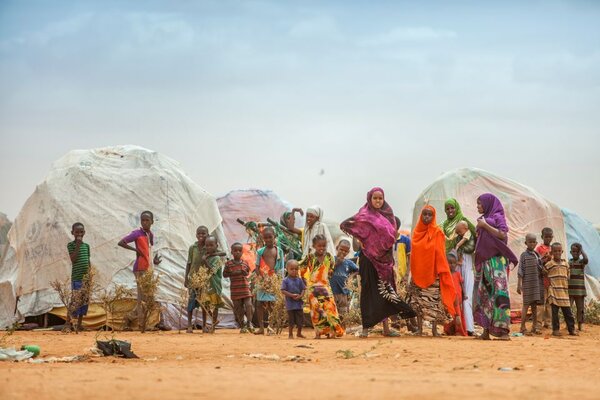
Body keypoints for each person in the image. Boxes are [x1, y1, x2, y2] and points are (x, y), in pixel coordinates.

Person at [340, 187, 415, 338]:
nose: (378, 201)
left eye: (380, 198)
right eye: (375, 198)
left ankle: (387, 329)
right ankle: (366, 329)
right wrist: (360, 239)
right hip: (367, 259)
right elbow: (347, 224)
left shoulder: (389, 215)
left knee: (385, 292)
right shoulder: (364, 215)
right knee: (368, 291)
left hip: (384, 261)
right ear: (370, 199)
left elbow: (391, 236)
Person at [472, 194, 518, 341]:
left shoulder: (497, 217)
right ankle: (485, 331)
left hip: (497, 263)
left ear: (487, 203)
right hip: (485, 263)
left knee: (499, 295)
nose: (478, 206)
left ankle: (503, 331)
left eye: (479, 204)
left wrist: (485, 225)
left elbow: (502, 234)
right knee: (484, 295)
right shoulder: (483, 218)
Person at [409, 205, 457, 337]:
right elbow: (414, 255)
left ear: (434, 216)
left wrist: (440, 270)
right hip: (418, 273)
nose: (427, 217)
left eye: (430, 215)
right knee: (418, 302)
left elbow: (440, 253)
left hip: (433, 273)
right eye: (424, 214)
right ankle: (419, 328)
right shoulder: (416, 233)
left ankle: (434, 330)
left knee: (433, 302)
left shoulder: (437, 232)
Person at [118, 210, 162, 331]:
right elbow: (121, 242)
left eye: (147, 220)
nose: (145, 222)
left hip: (148, 268)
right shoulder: (137, 233)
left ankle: (129, 318)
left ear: (152, 222)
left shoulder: (150, 235)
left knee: (147, 297)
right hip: (140, 268)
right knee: (142, 297)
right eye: (143, 220)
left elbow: (148, 250)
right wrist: (135, 251)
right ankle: (142, 325)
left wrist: (154, 261)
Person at [442, 198, 476, 335]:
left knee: (466, 295)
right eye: (448, 209)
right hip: (451, 264)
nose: (450, 211)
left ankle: (469, 328)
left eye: (452, 208)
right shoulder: (444, 225)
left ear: (457, 208)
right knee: (454, 296)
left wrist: (463, 249)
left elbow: (475, 237)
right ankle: (456, 328)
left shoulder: (465, 221)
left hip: (466, 261)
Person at [299, 234, 344, 338]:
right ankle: (318, 333)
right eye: (319, 246)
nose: (322, 248)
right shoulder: (309, 257)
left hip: (325, 287)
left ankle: (332, 332)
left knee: (330, 309)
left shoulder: (329, 257)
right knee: (316, 311)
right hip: (313, 289)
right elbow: (302, 268)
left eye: (324, 246)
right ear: (314, 246)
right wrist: (304, 281)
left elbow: (331, 271)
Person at [254, 227, 285, 335]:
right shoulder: (260, 252)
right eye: (265, 238)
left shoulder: (279, 251)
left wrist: (279, 281)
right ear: (263, 239)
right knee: (259, 303)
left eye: (270, 237)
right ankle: (261, 327)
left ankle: (270, 326)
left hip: (274, 280)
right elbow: (257, 267)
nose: (268, 240)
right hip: (262, 281)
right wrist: (262, 279)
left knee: (272, 304)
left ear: (274, 237)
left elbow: (281, 268)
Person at [544, 242, 577, 336]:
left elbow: (568, 275)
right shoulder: (550, 264)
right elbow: (544, 271)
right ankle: (555, 330)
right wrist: (548, 285)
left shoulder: (565, 264)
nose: (557, 253)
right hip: (554, 291)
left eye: (559, 251)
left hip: (564, 292)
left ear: (562, 251)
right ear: (552, 252)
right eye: (555, 251)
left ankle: (572, 330)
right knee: (554, 313)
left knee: (568, 312)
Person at [65, 222, 91, 332]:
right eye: (77, 232)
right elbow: (73, 259)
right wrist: (78, 245)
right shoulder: (71, 245)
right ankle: (68, 324)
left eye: (81, 232)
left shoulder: (87, 246)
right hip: (77, 277)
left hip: (86, 278)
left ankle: (79, 324)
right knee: (75, 301)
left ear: (84, 232)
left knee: (84, 302)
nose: (79, 234)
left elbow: (88, 261)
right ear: (72, 233)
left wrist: (90, 276)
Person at [223, 242, 254, 333]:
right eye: (235, 250)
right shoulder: (228, 264)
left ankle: (249, 322)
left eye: (239, 251)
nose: (237, 252)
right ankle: (242, 324)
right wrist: (233, 273)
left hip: (245, 288)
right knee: (238, 307)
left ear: (242, 252)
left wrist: (244, 273)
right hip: (235, 289)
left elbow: (247, 273)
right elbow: (224, 274)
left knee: (249, 305)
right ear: (232, 252)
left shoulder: (245, 263)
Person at [517, 234, 544, 334]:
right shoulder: (524, 255)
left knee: (534, 305)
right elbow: (520, 270)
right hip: (527, 284)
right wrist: (519, 285)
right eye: (530, 242)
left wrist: (544, 261)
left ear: (536, 243)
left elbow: (540, 268)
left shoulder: (537, 255)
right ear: (526, 243)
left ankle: (534, 326)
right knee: (526, 305)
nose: (532, 244)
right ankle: (522, 327)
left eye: (534, 242)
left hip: (536, 284)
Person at [184, 225, 209, 333]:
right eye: (199, 233)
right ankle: (189, 325)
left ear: (207, 235)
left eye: (203, 233)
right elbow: (189, 263)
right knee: (191, 302)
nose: (201, 235)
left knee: (204, 303)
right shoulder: (192, 248)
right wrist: (186, 278)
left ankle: (204, 325)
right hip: (193, 279)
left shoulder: (209, 247)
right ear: (196, 235)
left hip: (204, 279)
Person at [330, 239, 359, 316]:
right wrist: (336, 264)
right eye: (341, 249)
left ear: (348, 252)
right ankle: (335, 328)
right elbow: (327, 270)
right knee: (332, 313)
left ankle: (343, 328)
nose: (343, 252)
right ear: (337, 248)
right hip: (331, 292)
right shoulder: (331, 259)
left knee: (343, 314)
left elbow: (358, 270)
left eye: (345, 251)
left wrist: (351, 276)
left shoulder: (348, 263)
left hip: (343, 294)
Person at [202, 236, 224, 333]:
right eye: (207, 246)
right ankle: (213, 321)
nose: (209, 247)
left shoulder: (217, 258)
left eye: (211, 245)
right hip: (207, 284)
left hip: (215, 284)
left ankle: (213, 326)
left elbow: (213, 271)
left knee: (215, 305)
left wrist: (205, 261)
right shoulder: (207, 255)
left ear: (216, 246)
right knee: (205, 304)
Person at [281, 260, 306, 339]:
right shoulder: (285, 280)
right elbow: (283, 290)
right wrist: (291, 295)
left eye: (296, 269)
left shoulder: (299, 280)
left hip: (299, 304)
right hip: (290, 305)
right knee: (291, 321)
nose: (294, 271)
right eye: (292, 269)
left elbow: (303, 289)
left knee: (300, 320)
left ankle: (299, 333)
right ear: (287, 269)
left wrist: (301, 296)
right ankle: (290, 334)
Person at [443, 252, 467, 336]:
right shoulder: (445, 275)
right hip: (449, 298)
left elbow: (461, 285)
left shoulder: (457, 274)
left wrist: (464, 294)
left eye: (453, 263)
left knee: (458, 315)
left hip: (458, 297)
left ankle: (458, 331)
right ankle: (448, 330)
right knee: (449, 314)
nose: (451, 265)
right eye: (449, 263)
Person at [535, 227, 554, 329]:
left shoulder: (554, 249)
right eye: (546, 237)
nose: (548, 239)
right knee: (541, 301)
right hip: (542, 279)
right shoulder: (539, 248)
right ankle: (538, 322)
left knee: (549, 302)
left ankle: (548, 322)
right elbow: (537, 261)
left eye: (550, 237)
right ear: (542, 237)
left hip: (551, 280)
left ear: (552, 237)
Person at [569, 243, 588, 331]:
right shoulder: (569, 262)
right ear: (570, 252)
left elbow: (586, 260)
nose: (575, 253)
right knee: (568, 308)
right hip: (570, 290)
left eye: (577, 251)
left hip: (580, 291)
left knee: (580, 309)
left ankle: (580, 324)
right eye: (573, 251)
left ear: (579, 252)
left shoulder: (581, 262)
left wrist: (582, 251)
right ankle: (569, 324)